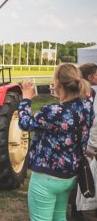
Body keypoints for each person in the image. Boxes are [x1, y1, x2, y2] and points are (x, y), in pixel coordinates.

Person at [18, 63, 94, 221]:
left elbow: (25, 123)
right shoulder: (87, 106)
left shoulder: (52, 112)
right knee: (59, 217)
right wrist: (63, 96)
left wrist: (26, 98)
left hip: (47, 178)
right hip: (70, 176)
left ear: (58, 84)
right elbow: (83, 97)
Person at [69, 62, 97, 220]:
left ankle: (78, 209)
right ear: (89, 76)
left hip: (83, 136)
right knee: (80, 173)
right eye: (96, 73)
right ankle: (77, 210)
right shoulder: (88, 92)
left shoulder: (90, 92)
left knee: (82, 172)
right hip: (83, 137)